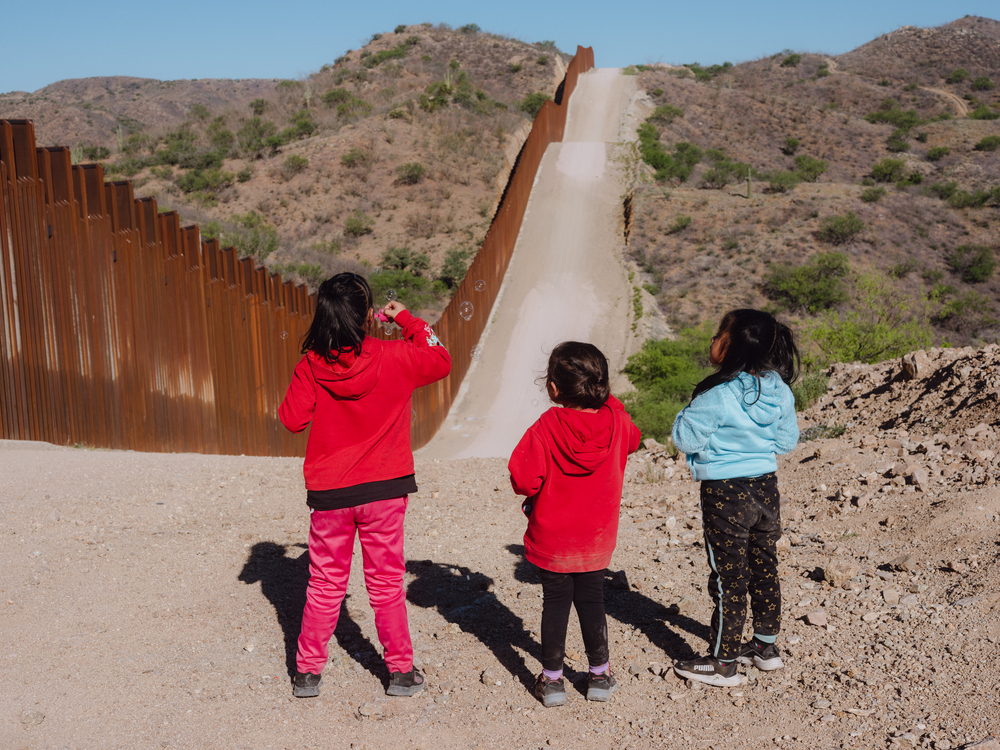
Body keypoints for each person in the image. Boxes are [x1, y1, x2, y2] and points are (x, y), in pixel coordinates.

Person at [278, 273, 451, 698]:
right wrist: (407, 320)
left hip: (331, 494)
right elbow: (441, 359)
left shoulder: (311, 365)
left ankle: (307, 674)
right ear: (368, 316)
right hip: (385, 491)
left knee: (324, 583)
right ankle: (400, 673)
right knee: (386, 584)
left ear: (323, 317)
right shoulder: (395, 356)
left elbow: (291, 419)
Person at [670, 309, 799, 687]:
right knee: (764, 566)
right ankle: (765, 647)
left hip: (725, 493)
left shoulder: (718, 395)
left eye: (717, 334)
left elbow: (685, 438)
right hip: (766, 488)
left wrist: (689, 412)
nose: (712, 340)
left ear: (732, 346)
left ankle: (723, 662)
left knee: (730, 577)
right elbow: (786, 442)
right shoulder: (780, 390)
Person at [508, 342, 641, 707]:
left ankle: (552, 682)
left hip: (553, 539)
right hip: (596, 539)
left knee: (555, 603)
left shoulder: (547, 425)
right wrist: (608, 400)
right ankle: (599, 675)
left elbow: (523, 479)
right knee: (592, 600)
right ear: (601, 384)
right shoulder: (618, 422)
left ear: (553, 387)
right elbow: (635, 440)